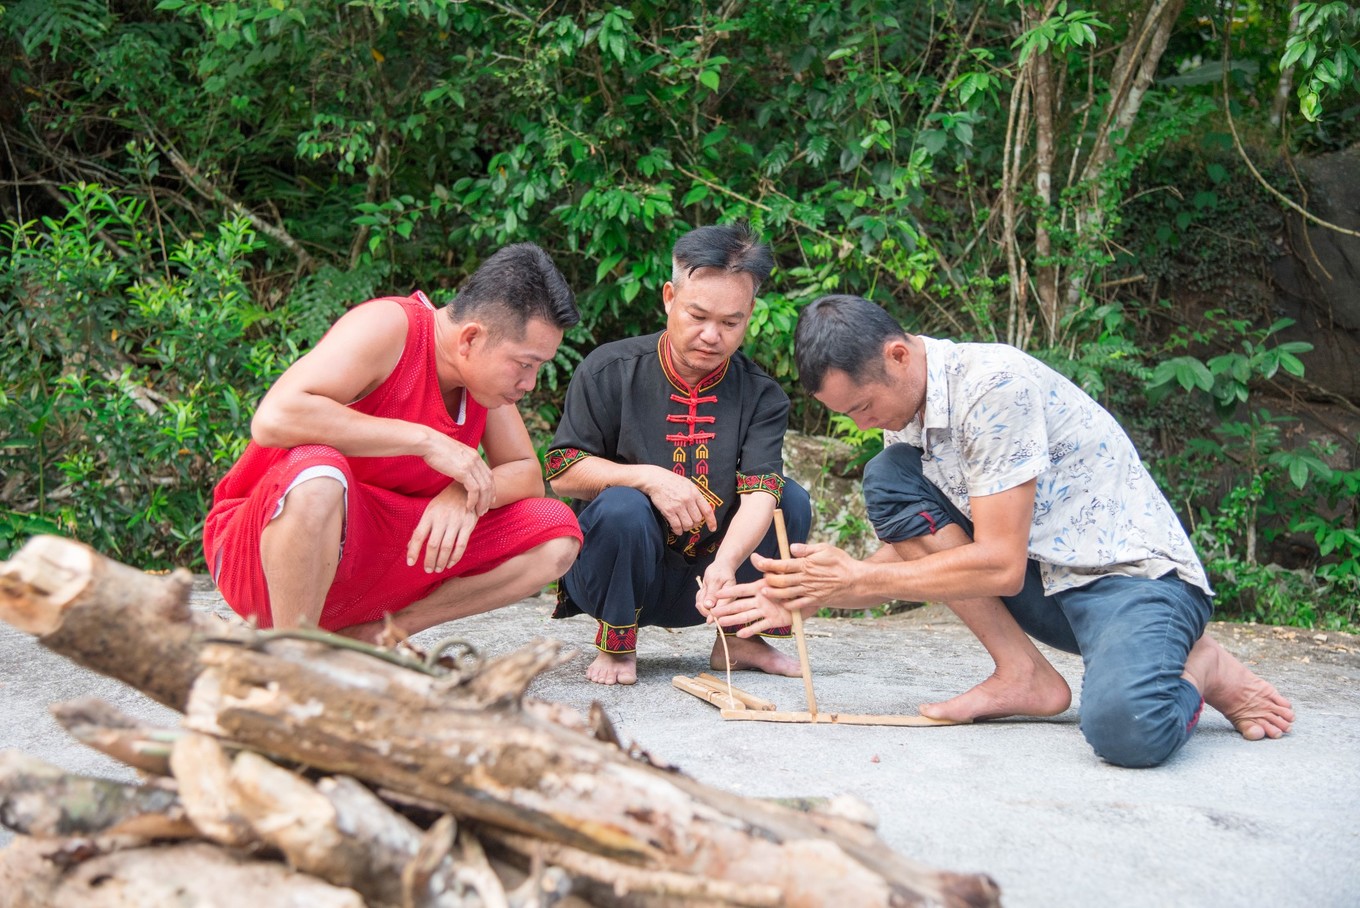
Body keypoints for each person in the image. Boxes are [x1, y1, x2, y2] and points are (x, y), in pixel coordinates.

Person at [707, 294, 1294, 767]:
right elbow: (926, 542)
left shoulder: (993, 388)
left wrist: (858, 583)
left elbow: (998, 563)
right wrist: (803, 588)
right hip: (1048, 585)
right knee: (890, 476)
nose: (862, 422)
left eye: (862, 406)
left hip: (1132, 582)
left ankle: (1203, 667)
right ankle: (1023, 674)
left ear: (898, 356)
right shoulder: (908, 410)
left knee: (1128, 731)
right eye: (847, 415)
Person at [203, 243, 583, 642]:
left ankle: (377, 636)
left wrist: (463, 495)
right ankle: (295, 658)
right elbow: (274, 417)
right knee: (318, 472)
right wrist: (426, 441)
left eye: (539, 367)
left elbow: (525, 473)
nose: (530, 383)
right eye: (524, 364)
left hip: (376, 563)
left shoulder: (484, 386)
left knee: (556, 535)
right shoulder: (389, 327)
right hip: (261, 562)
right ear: (471, 339)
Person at [545, 224, 812, 685]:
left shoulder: (762, 394)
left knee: (789, 499)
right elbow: (562, 473)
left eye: (732, 323)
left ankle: (742, 638)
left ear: (750, 315)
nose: (712, 336)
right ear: (669, 297)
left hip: (707, 588)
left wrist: (725, 565)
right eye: (698, 316)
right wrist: (648, 477)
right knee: (623, 503)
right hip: (614, 577)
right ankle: (617, 646)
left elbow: (760, 498)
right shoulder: (609, 370)